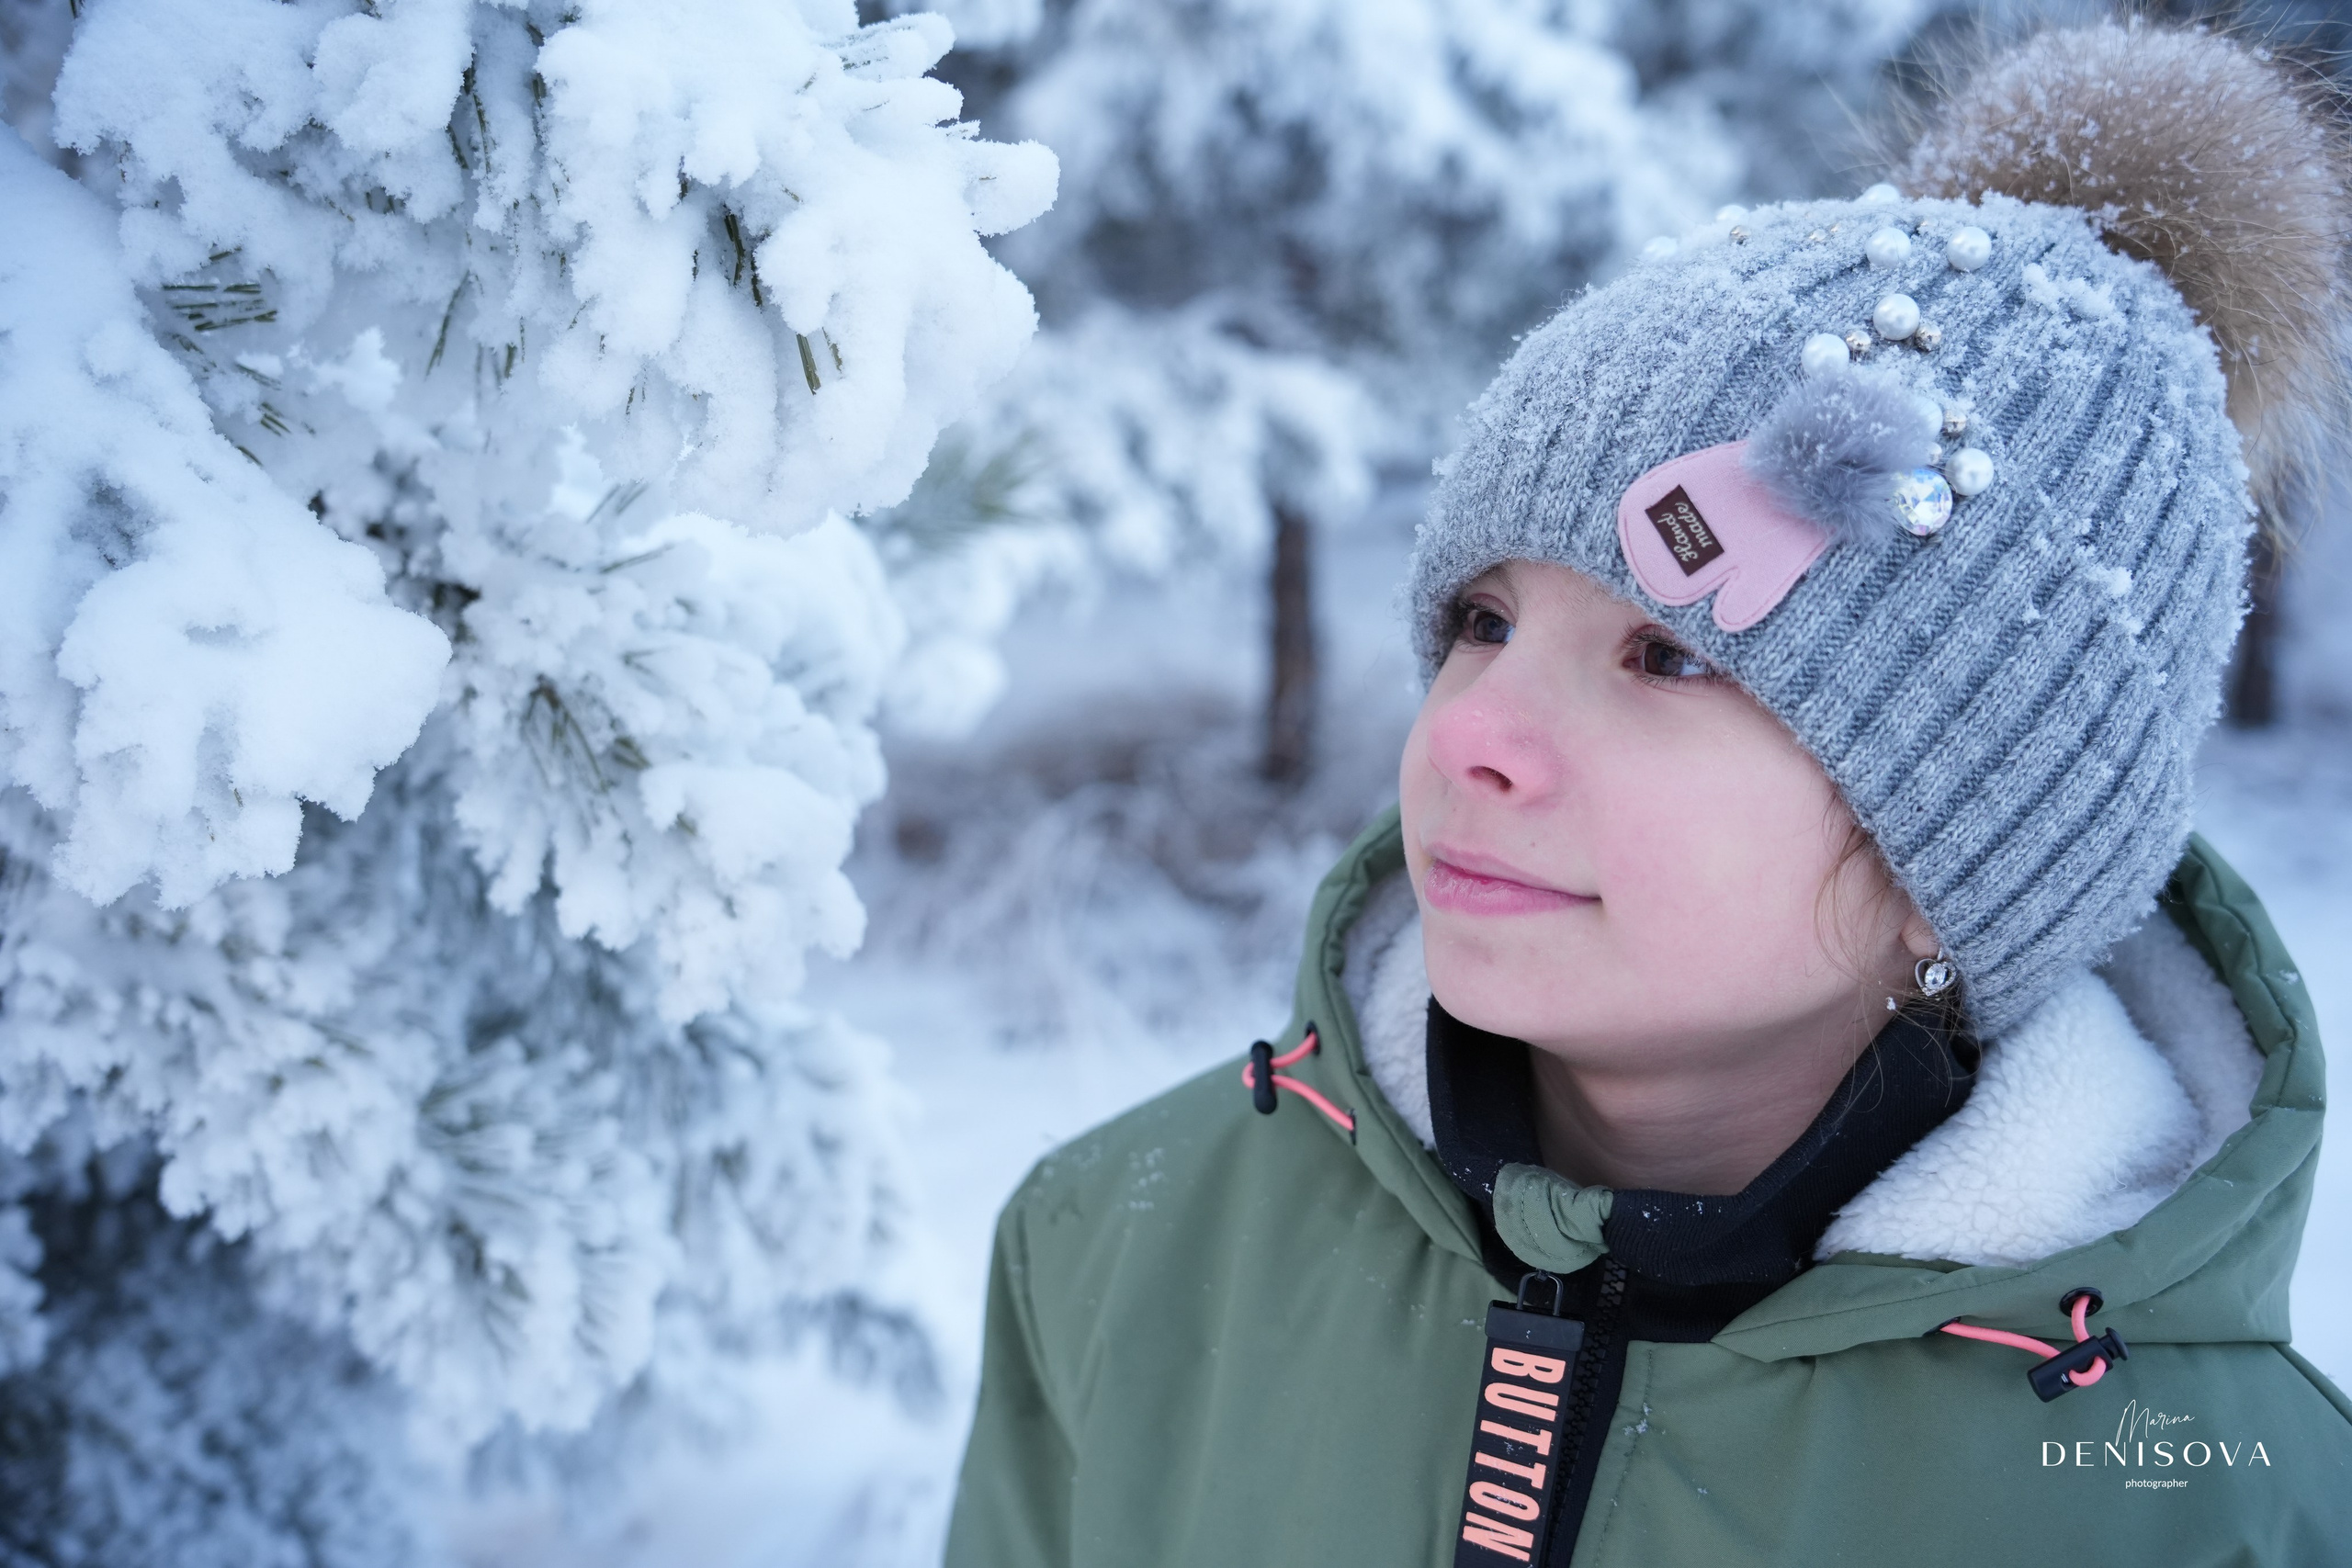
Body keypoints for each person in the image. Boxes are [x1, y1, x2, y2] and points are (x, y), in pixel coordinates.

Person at [943, 21, 2352, 1566]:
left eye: (1668, 659)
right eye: (1483, 623)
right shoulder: (1125, 1251)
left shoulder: (2208, 1514)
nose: (1472, 738)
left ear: (1960, 855)